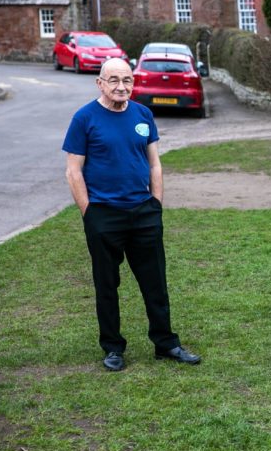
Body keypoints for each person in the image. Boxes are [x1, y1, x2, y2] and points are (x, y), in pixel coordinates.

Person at [63, 58, 201, 371]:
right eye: (113, 80)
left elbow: (154, 163)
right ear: (100, 83)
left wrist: (156, 204)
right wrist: (90, 214)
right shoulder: (84, 118)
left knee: (155, 283)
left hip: (144, 214)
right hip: (104, 215)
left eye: (127, 80)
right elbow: (73, 172)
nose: (121, 86)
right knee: (107, 284)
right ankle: (113, 348)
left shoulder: (143, 114)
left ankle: (166, 343)